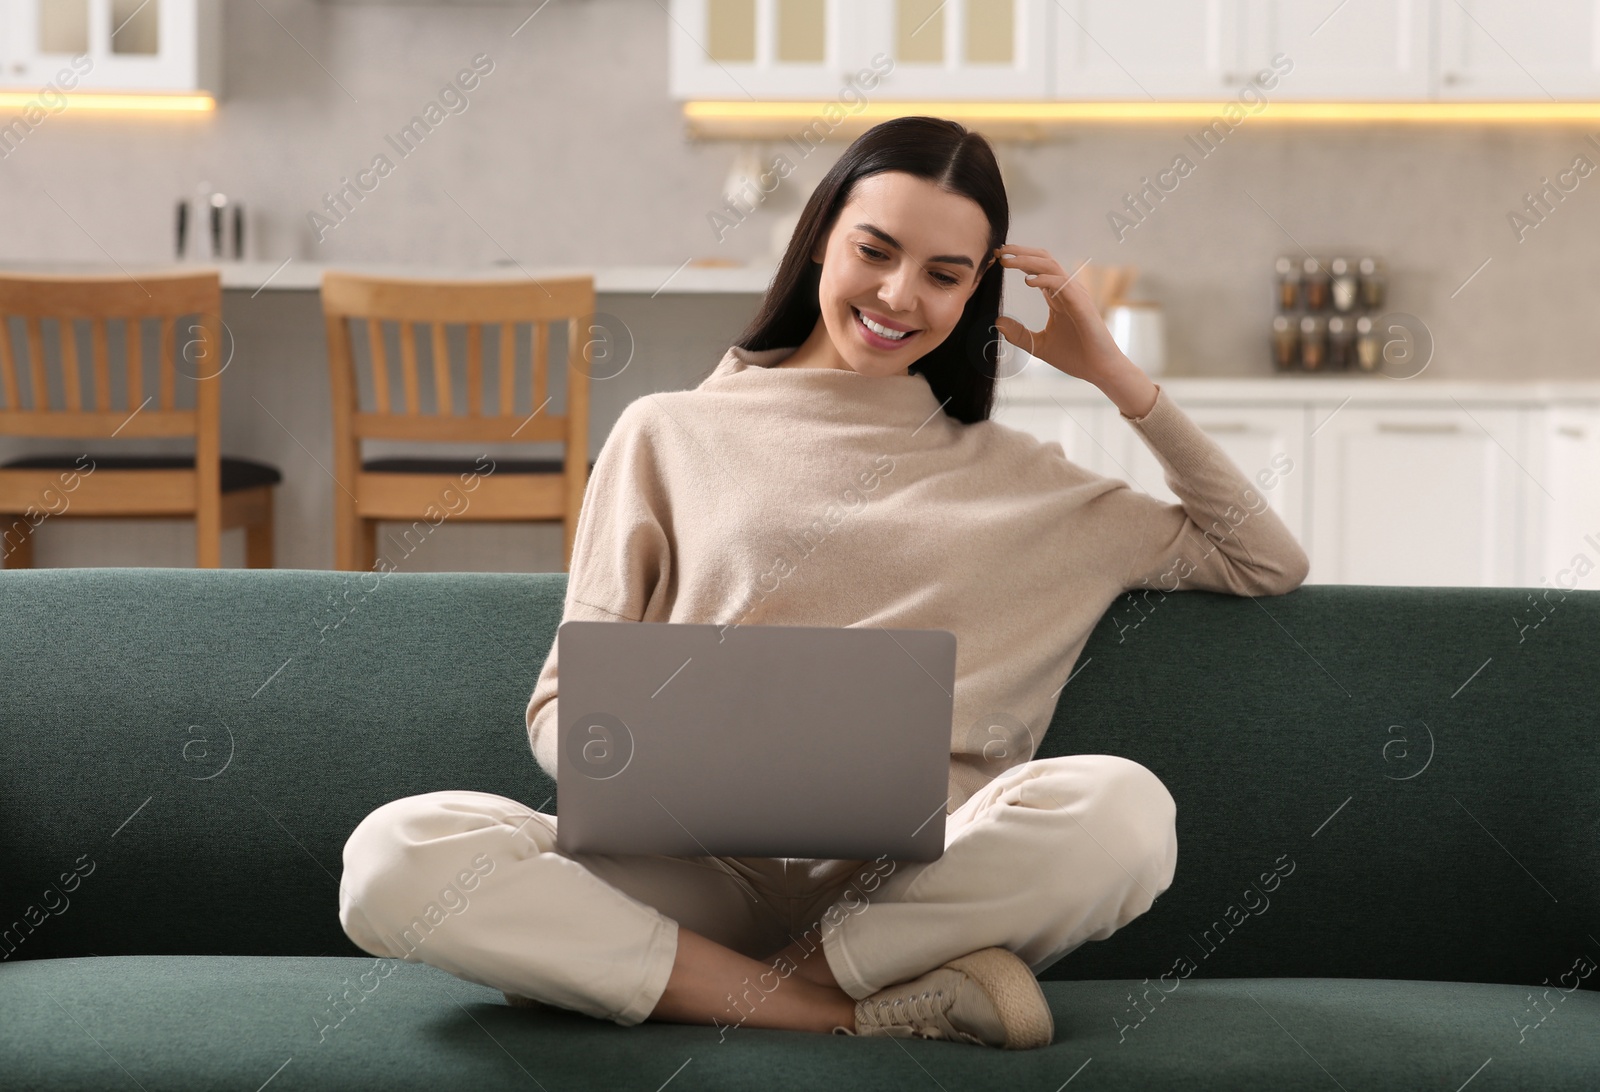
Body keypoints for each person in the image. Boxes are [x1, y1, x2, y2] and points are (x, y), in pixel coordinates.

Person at [338, 116, 1310, 1050]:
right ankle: (838, 1015)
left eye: (943, 275)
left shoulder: (1033, 484)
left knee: (1125, 813)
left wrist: (1113, 374)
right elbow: (560, 712)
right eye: (873, 251)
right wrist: (663, 763)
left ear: (977, 294)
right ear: (818, 244)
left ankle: (690, 982)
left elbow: (1261, 558)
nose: (897, 296)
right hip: (686, 872)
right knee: (396, 853)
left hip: (913, 889)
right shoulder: (665, 433)